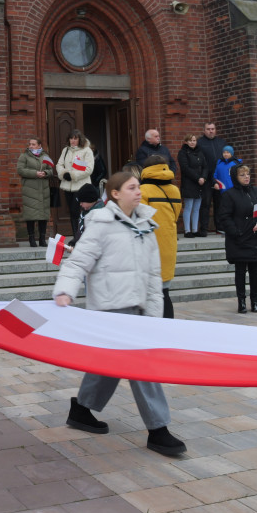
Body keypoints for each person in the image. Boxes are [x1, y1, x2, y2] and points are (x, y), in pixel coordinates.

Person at [52, 171, 187, 457]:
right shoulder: (100, 224)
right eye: (132, 187)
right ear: (115, 193)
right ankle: (158, 430)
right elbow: (78, 263)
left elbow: (153, 276)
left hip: (138, 310)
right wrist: (65, 291)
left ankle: (81, 409)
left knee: (109, 364)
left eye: (138, 187)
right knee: (142, 368)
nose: (138, 191)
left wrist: (154, 317)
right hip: (110, 311)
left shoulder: (146, 226)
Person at [218, 164, 257, 313]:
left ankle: (255, 301)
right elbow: (224, 217)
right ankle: (241, 302)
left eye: (247, 174)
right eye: (242, 175)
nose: (246, 177)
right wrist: (236, 232)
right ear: (235, 177)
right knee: (240, 272)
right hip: (239, 239)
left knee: (255, 271)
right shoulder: (229, 195)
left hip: (255, 237)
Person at [140, 155, 182, 319]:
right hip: (169, 244)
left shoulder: (143, 191)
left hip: (150, 246)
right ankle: (168, 327)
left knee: (150, 295)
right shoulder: (175, 190)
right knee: (165, 292)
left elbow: (141, 219)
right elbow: (175, 216)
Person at [57, 130, 95, 242]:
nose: (73, 141)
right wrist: (64, 173)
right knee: (72, 212)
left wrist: (73, 175)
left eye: (75, 138)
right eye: (71, 138)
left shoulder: (86, 151)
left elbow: (89, 169)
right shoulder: (65, 150)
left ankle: (83, 236)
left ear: (80, 139)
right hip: (67, 186)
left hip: (81, 186)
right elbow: (59, 164)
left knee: (79, 211)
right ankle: (76, 236)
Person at [17, 137, 54, 247]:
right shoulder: (24, 156)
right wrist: (35, 173)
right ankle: (31, 239)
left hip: (43, 190)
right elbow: (20, 170)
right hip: (30, 190)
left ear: (39, 145)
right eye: (30, 144)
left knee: (43, 215)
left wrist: (46, 173)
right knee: (31, 216)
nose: (31, 146)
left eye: (33, 144)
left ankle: (42, 239)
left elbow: (51, 169)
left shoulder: (45, 156)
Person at [197, 123, 225, 236]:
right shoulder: (199, 143)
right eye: (208, 129)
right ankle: (204, 229)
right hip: (206, 179)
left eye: (213, 129)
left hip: (219, 179)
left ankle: (220, 228)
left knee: (220, 204)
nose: (211, 131)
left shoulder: (221, 142)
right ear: (204, 131)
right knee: (205, 204)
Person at [177, 135, 207, 237]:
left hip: (200, 183)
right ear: (186, 142)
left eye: (194, 140)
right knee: (189, 206)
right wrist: (197, 178)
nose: (192, 142)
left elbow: (205, 167)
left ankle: (194, 229)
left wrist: (203, 177)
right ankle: (187, 230)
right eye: (190, 140)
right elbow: (185, 168)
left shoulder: (200, 152)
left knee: (197, 207)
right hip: (189, 183)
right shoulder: (183, 153)